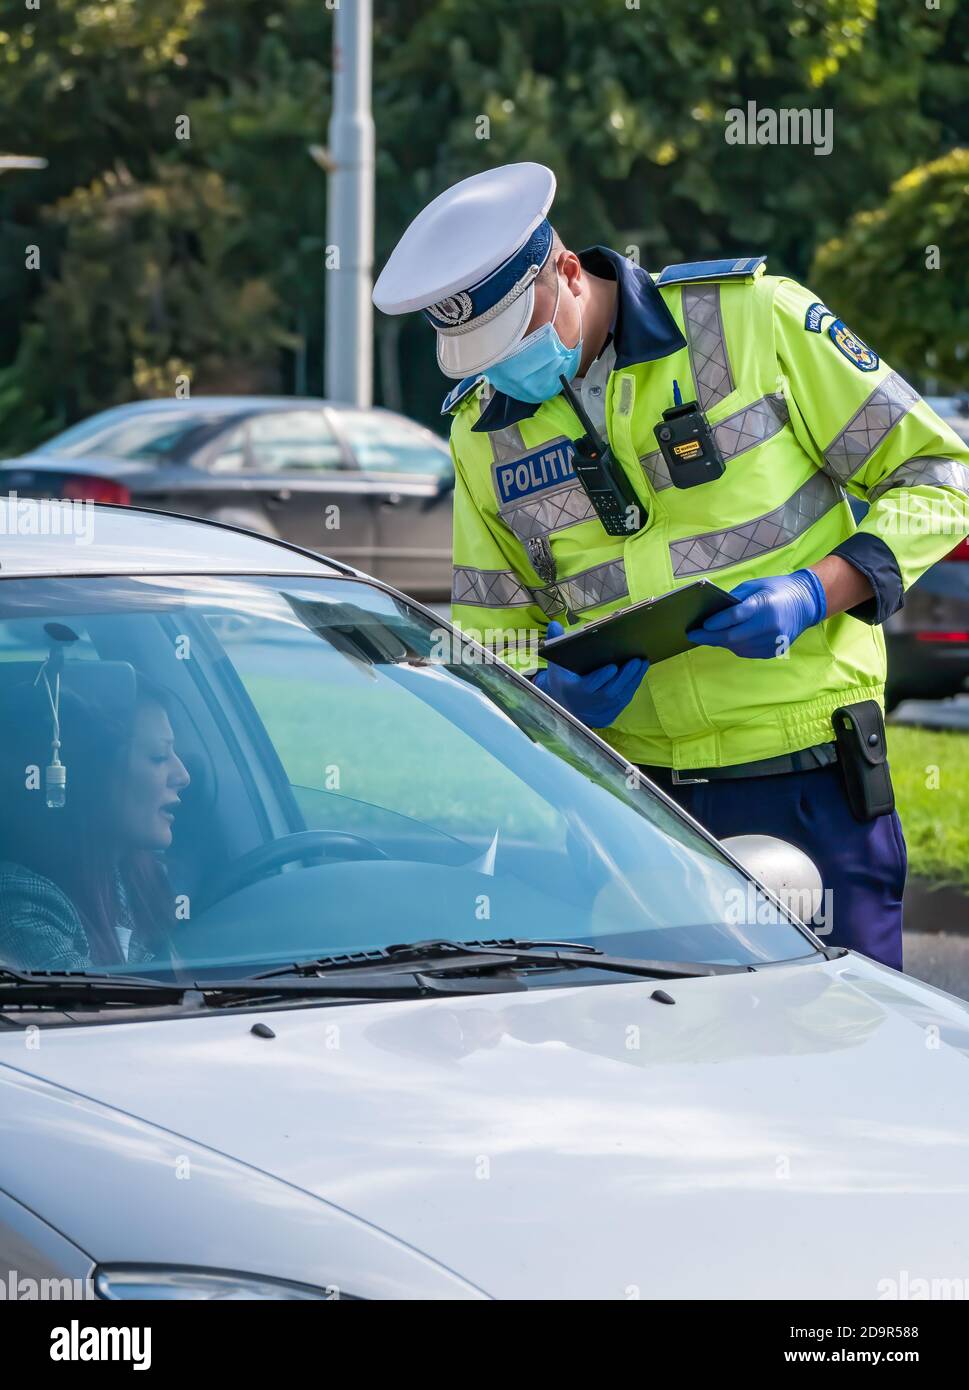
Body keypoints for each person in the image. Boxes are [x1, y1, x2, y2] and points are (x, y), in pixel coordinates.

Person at [372, 162, 969, 971]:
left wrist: (815, 592)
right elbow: (488, 638)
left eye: (515, 338)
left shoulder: (751, 320)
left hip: (807, 781)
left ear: (567, 272)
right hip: (630, 807)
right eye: (482, 356)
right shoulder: (482, 432)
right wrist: (545, 698)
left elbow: (940, 476)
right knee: (662, 1078)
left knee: (842, 1057)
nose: (505, 367)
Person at [0, 669, 190, 972]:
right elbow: (97, 1007)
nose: (182, 776)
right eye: (158, 756)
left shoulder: (141, 875)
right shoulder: (20, 902)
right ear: (93, 774)